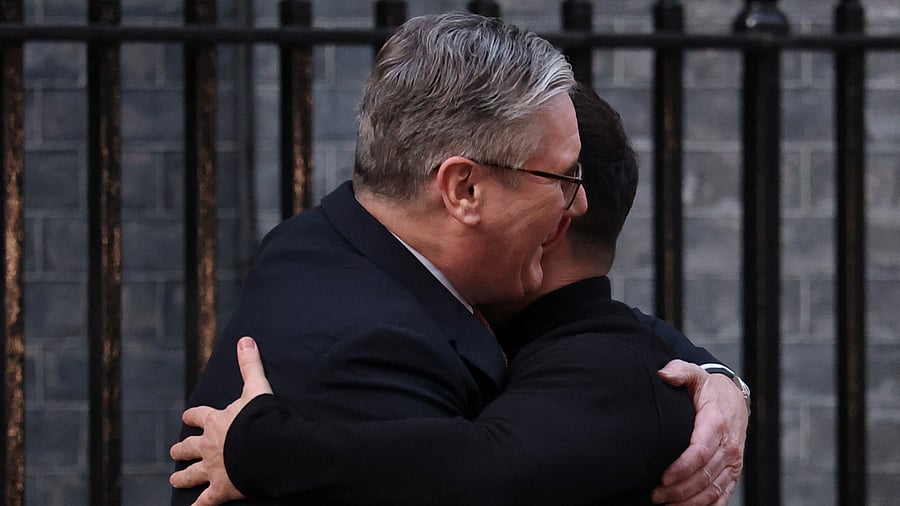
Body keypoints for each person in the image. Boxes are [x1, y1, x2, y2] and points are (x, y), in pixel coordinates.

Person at [172, 13, 747, 506]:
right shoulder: (371, 351)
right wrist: (260, 448)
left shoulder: (318, 243)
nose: (582, 200)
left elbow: (594, 336)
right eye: (564, 176)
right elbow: (484, 473)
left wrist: (723, 381)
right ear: (464, 189)